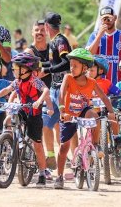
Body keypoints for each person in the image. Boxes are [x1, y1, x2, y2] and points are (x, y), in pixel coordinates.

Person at [0, 52, 54, 187]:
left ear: (25, 69)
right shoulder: (17, 81)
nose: (14, 70)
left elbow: (46, 90)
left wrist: (39, 101)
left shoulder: (34, 80)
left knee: (37, 144)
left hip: (34, 113)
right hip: (22, 109)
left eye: (16, 68)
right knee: (8, 121)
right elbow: (7, 89)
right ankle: (9, 142)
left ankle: (42, 173)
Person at [55, 48, 114, 189]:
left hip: (83, 111)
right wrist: (62, 111)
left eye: (75, 66)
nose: (71, 68)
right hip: (68, 113)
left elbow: (104, 97)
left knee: (96, 117)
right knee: (64, 147)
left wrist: (111, 112)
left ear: (85, 67)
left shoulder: (92, 82)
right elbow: (62, 94)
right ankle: (59, 176)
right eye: (71, 65)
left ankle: (96, 144)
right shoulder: (68, 78)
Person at [40, 12, 71, 173]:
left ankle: (73, 159)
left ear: (46, 26)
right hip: (54, 88)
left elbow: (66, 63)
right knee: (46, 122)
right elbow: (55, 62)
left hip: (63, 89)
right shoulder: (53, 41)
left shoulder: (60, 41)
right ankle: (50, 156)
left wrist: (48, 69)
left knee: (67, 124)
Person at [24, 20, 56, 171]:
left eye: (42, 30)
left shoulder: (52, 48)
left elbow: (61, 66)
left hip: (54, 91)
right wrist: (50, 69)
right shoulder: (29, 52)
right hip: (36, 95)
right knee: (43, 127)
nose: (39, 33)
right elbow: (32, 74)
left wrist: (46, 70)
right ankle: (47, 160)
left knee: (60, 126)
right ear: (32, 32)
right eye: (36, 30)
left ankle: (56, 157)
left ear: (47, 32)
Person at [86, 6, 121, 83]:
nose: (107, 21)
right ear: (100, 20)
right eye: (104, 19)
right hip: (97, 83)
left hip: (118, 83)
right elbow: (89, 54)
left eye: (109, 18)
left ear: (115, 18)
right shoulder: (94, 35)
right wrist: (99, 35)